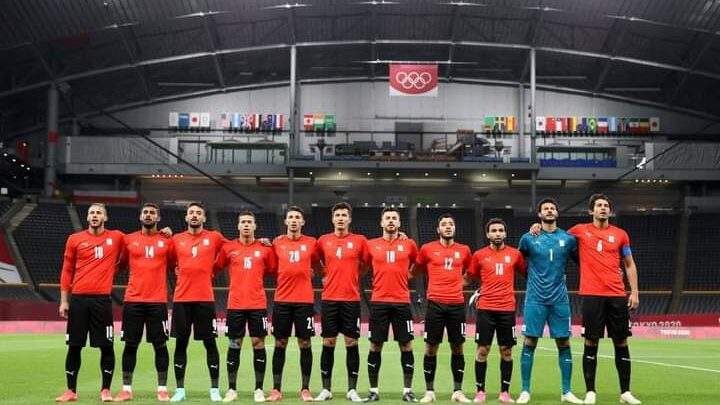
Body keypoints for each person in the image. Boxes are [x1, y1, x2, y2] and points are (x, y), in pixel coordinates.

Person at [568, 194, 641, 405]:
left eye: (606, 205)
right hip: (592, 294)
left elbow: (629, 264)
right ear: (591, 210)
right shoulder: (579, 230)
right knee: (591, 341)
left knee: (621, 341)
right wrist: (537, 228)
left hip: (617, 295)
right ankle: (590, 391)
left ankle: (625, 392)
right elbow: (558, 239)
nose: (603, 208)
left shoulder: (620, 235)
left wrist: (634, 292)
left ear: (610, 210)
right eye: (599, 205)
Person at [516, 198, 583, 404]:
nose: (549, 210)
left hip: (559, 299)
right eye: (545, 208)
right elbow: (517, 262)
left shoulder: (568, 239)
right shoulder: (528, 238)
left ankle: (566, 391)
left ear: (557, 213)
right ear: (539, 214)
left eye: (553, 208)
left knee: (564, 342)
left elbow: (584, 263)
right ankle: (525, 390)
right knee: (530, 341)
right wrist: (531, 277)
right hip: (535, 299)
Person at [56, 203, 124, 402]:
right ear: (87, 217)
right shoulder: (74, 239)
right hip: (78, 300)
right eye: (92, 213)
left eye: (99, 213)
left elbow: (140, 239)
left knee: (106, 346)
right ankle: (71, 391)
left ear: (105, 217)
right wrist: (64, 301)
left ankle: (105, 390)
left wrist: (163, 233)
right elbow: (67, 270)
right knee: (74, 346)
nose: (95, 215)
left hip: (102, 301)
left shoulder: (117, 237)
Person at [114, 203, 175, 402]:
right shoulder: (128, 240)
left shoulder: (167, 241)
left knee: (160, 345)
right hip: (133, 300)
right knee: (130, 345)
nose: (148, 215)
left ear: (158, 218)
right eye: (145, 212)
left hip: (157, 301)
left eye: (152, 213)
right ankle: (126, 389)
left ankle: (162, 389)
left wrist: (171, 235)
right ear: (140, 216)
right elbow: (121, 264)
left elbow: (176, 264)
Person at [215, 211, 277, 403]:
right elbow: (215, 267)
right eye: (243, 222)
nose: (246, 225)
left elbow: (274, 269)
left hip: (258, 304)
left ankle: (258, 389)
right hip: (235, 305)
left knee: (258, 343)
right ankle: (232, 389)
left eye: (250, 222)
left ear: (255, 226)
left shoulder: (265, 248)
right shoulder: (228, 248)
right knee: (234, 344)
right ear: (238, 226)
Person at [170, 202, 227, 402]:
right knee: (181, 344)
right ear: (186, 217)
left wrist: (215, 269)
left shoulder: (214, 237)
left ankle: (214, 389)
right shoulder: (176, 239)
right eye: (191, 213)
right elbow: (167, 259)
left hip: (205, 299)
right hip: (182, 299)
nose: (194, 215)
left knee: (210, 344)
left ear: (204, 217)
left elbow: (233, 248)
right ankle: (180, 390)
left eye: (198, 213)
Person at [466, 218, 526, 404]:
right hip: (485, 309)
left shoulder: (515, 254)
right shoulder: (479, 255)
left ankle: (504, 392)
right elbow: (469, 277)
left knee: (506, 351)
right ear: (488, 234)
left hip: (507, 309)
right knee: (482, 350)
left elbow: (528, 274)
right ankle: (480, 392)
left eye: (501, 230)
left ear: (505, 233)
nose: (497, 233)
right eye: (494, 230)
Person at [363, 207, 419, 402]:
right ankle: (373, 391)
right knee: (375, 345)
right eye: (387, 218)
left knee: (406, 345)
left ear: (399, 223)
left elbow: (419, 264)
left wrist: (408, 275)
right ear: (381, 222)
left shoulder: (409, 244)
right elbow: (362, 266)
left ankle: (407, 391)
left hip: (401, 302)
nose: (391, 221)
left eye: (394, 218)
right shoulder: (370, 245)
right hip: (379, 302)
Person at [415, 214, 473, 403]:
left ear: (454, 228)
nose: (448, 227)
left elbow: (471, 272)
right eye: (444, 224)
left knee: (458, 348)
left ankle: (458, 391)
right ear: (438, 229)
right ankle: (429, 391)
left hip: (456, 305)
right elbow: (417, 269)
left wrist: (458, 284)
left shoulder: (464, 250)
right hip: (435, 305)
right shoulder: (427, 248)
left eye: (451, 224)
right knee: (431, 348)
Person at [314, 203, 368, 402]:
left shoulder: (360, 241)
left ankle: (352, 389)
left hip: (351, 300)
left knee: (351, 342)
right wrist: (324, 274)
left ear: (349, 219)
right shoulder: (323, 241)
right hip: (329, 299)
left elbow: (367, 262)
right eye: (337, 215)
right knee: (328, 342)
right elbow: (314, 260)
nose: (340, 218)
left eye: (344, 215)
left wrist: (355, 275)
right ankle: (326, 389)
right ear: (332, 219)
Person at [267, 206, 320, 402]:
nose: (294, 220)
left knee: (305, 343)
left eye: (298, 217)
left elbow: (319, 264)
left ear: (303, 222)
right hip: (282, 301)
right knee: (280, 343)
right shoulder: (276, 243)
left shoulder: (312, 243)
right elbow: (270, 266)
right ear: (286, 221)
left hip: (304, 302)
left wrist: (315, 273)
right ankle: (276, 389)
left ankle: (305, 389)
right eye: (291, 217)